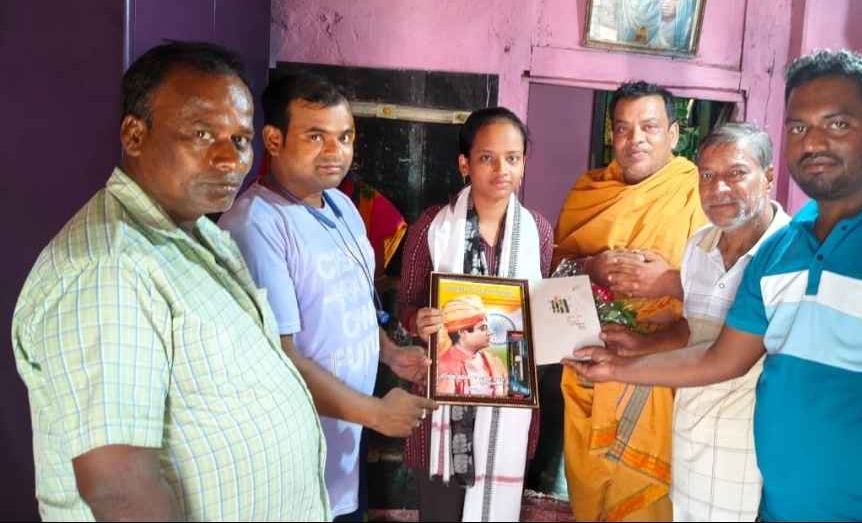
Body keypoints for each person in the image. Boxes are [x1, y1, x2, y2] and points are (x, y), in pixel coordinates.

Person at [566, 50, 862, 522]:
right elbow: (719, 359)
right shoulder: (780, 251)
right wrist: (617, 367)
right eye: (798, 127)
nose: (813, 142)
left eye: (837, 124)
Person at [11, 42, 331, 521]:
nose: (229, 160)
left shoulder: (195, 230)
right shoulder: (110, 270)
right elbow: (119, 489)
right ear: (135, 135)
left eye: (240, 139)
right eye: (202, 134)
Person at [218, 72, 436, 521]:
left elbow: (351, 304)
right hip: (289, 462)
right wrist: (376, 413)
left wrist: (390, 354)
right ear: (274, 140)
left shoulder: (342, 207)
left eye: (344, 137)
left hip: (343, 448)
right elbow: (279, 360)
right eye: (316, 136)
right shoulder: (256, 225)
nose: (335, 152)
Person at [557, 80, 708, 522]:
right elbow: (550, 276)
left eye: (649, 127)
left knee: (645, 502)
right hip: (589, 368)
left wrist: (667, 283)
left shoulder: (698, 193)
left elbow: (729, 292)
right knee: (592, 494)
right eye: (623, 128)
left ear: (674, 134)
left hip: (665, 368)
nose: (635, 139)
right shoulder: (588, 193)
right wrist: (592, 267)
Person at [397, 107, 554, 522]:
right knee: (441, 511)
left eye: (513, 158)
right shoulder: (432, 227)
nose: (502, 169)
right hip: (442, 404)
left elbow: (533, 313)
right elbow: (407, 304)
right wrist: (418, 321)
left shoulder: (538, 231)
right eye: (487, 157)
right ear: (464, 163)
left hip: (510, 403)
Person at [665, 124, 790, 522]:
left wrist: (620, 366)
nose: (718, 189)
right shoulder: (698, 247)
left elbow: (729, 359)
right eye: (707, 175)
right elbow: (693, 331)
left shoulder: (793, 253)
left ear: (768, 176)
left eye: (736, 173)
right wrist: (633, 344)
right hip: (692, 452)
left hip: (754, 466)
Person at [435, 296, 510, 398]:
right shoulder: (444, 366)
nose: (490, 332)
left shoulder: (494, 362)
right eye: (482, 328)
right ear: (462, 332)